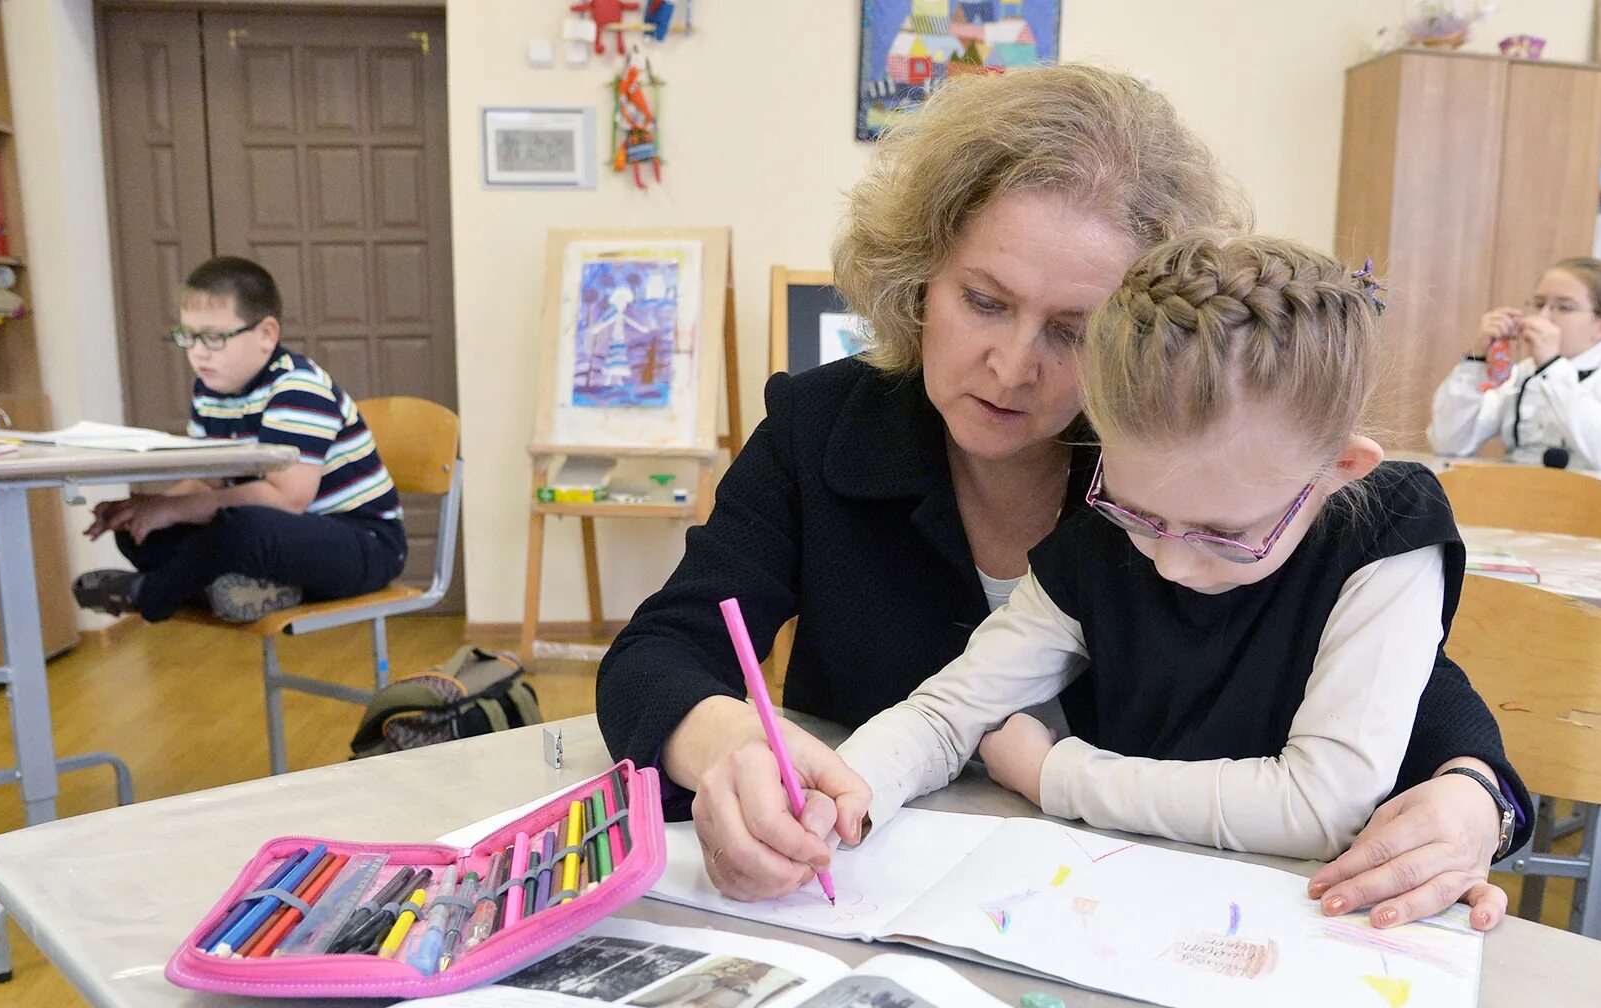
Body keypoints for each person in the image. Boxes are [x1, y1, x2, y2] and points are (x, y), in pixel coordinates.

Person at [597, 64, 1529, 932]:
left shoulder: (1181, 455)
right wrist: (732, 753)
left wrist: (1473, 784)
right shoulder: (825, 428)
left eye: (1076, 332)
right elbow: (663, 652)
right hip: (911, 911)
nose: (1011, 367)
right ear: (923, 271)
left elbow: (1371, 658)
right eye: (986, 301)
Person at [838, 232, 1499, 865]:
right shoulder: (1097, 541)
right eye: (1139, 514)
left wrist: (1056, 776)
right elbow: (947, 712)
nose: (1172, 562)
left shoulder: (1390, 526)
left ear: (1341, 467)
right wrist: (843, 794)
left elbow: (1322, 805)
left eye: (1226, 534)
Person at [71, 256, 408, 623]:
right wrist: (152, 507)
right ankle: (249, 590)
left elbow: (287, 499)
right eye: (189, 336)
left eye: (215, 338)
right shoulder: (210, 390)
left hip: (363, 544)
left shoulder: (298, 387)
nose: (199, 352)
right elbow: (207, 481)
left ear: (266, 334)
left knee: (246, 527)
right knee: (139, 531)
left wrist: (171, 510)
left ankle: (153, 595)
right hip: (277, 544)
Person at [1427, 257, 1601, 470]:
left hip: (1597, 506)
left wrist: (1552, 366)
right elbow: (1449, 443)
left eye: (1564, 307)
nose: (1542, 317)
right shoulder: (1524, 373)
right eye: (1539, 304)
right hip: (1519, 500)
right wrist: (1476, 359)